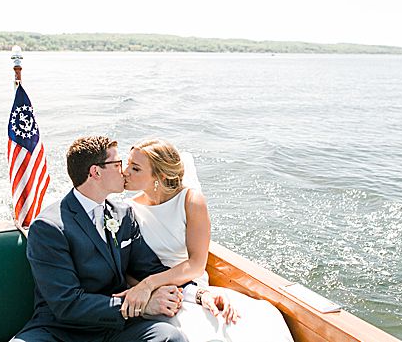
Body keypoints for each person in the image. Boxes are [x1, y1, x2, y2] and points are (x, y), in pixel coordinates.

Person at [117, 139, 294, 342]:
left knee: (248, 324)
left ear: (160, 176)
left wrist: (150, 284)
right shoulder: (127, 210)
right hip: (159, 295)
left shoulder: (191, 201)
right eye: (127, 163)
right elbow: (129, 266)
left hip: (190, 283)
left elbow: (196, 264)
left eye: (135, 168)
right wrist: (148, 289)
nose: (125, 171)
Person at [13, 136, 187, 342]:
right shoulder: (48, 227)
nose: (124, 171)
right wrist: (140, 306)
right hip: (60, 331)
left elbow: (151, 269)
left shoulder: (124, 215)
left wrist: (199, 294)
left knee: (169, 337)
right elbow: (67, 304)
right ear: (95, 172)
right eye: (117, 164)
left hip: (115, 329)